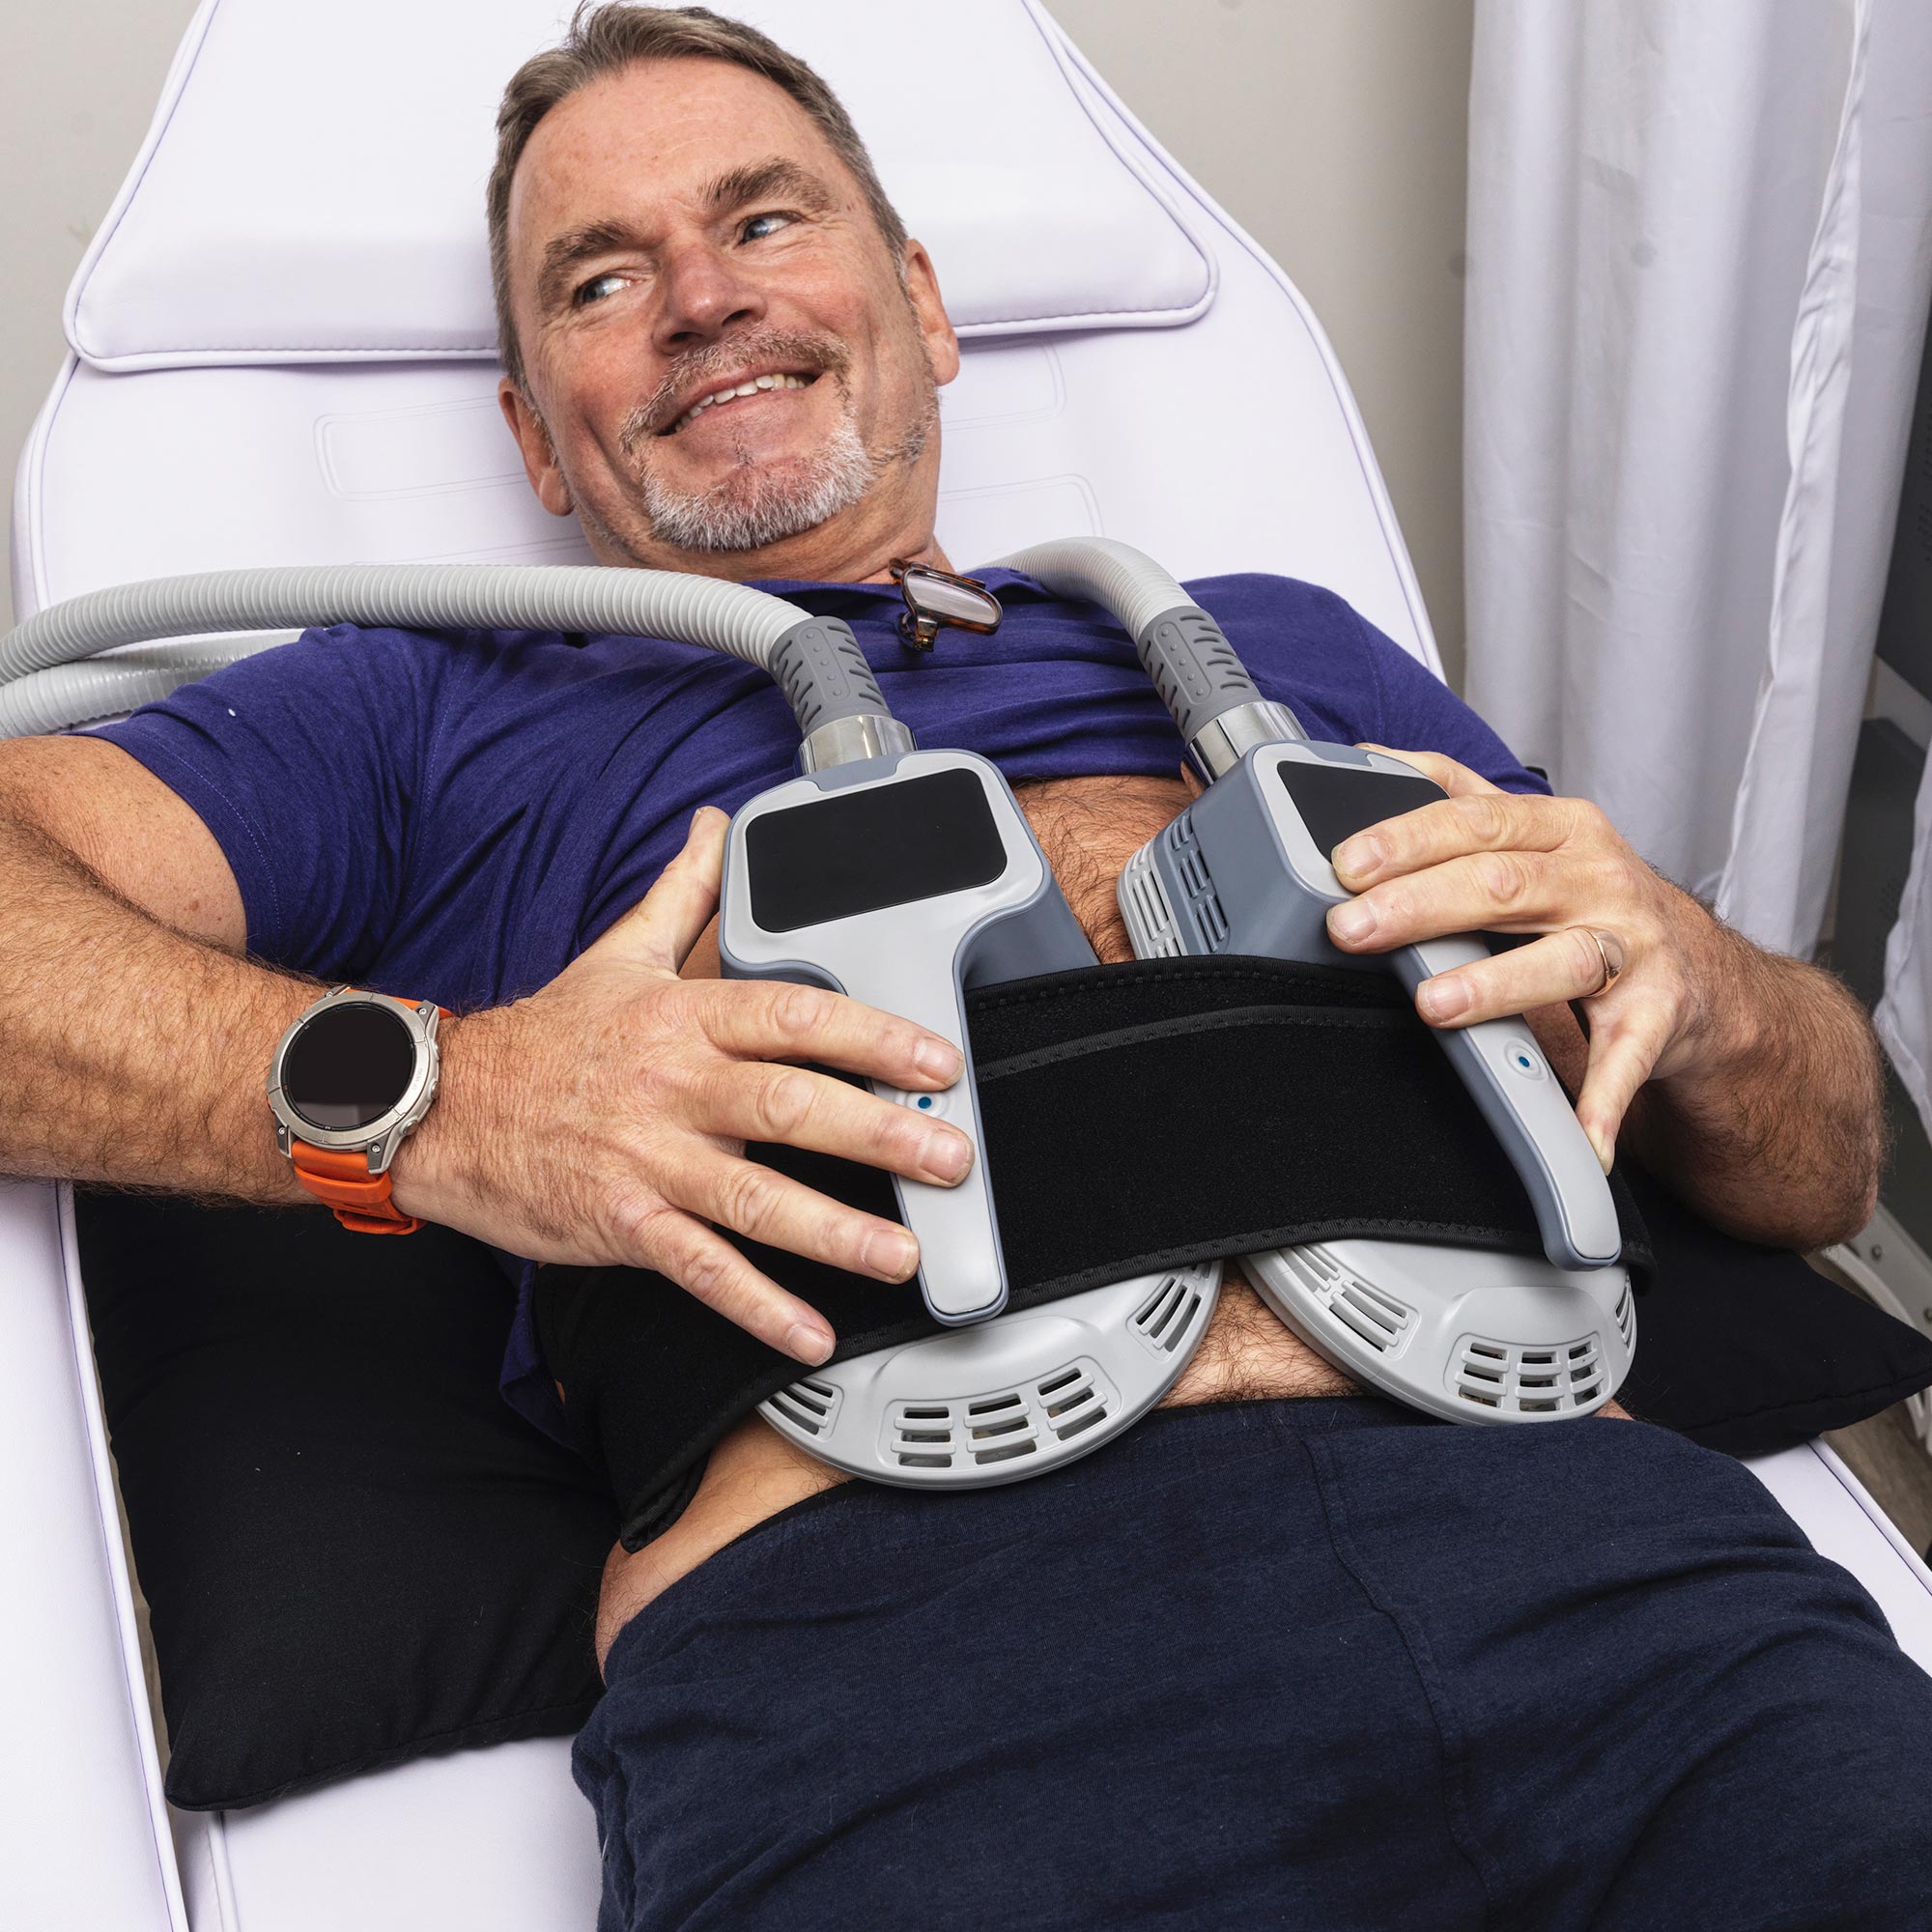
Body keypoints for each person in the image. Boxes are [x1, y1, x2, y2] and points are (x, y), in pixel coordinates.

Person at [0, 7, 1924, 1927]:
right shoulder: (428, 710)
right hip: (901, 1669)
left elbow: (1823, 1168)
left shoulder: (1278, 646)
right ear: (532, 430)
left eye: (764, 221)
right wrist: (447, 1099)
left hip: (1595, 1576)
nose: (701, 299)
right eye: (601, 278)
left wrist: (1695, 967)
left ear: (921, 306)